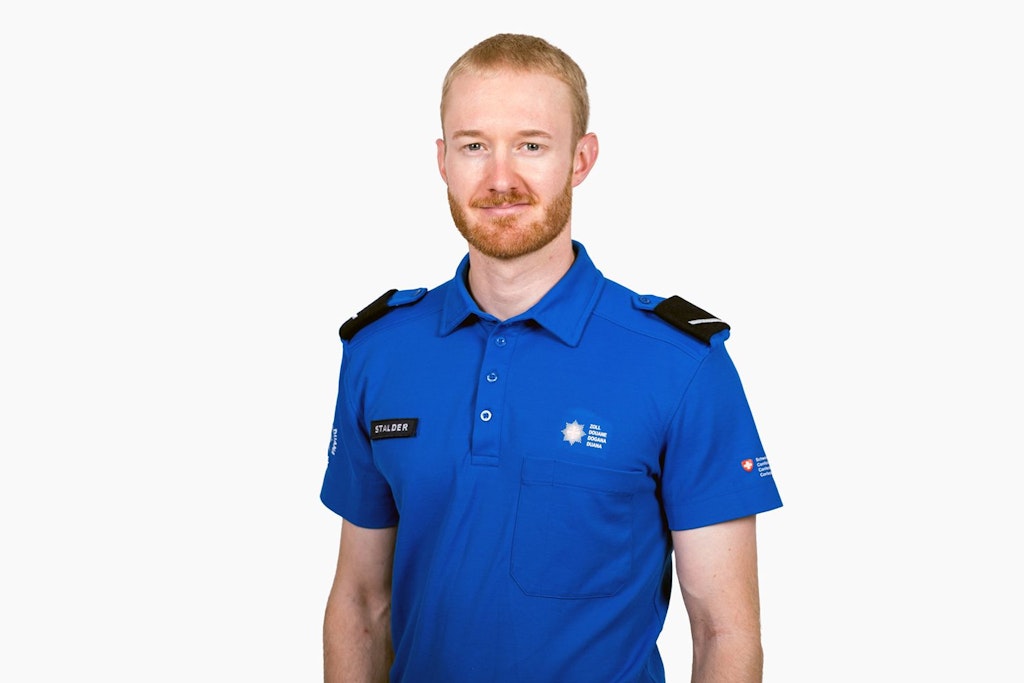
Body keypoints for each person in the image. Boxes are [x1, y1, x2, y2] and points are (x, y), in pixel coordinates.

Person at [320, 33, 783, 683]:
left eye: (531, 146)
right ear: (443, 160)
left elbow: (725, 631)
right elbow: (361, 603)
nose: (500, 178)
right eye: (474, 145)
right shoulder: (380, 351)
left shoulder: (682, 365)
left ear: (581, 159)